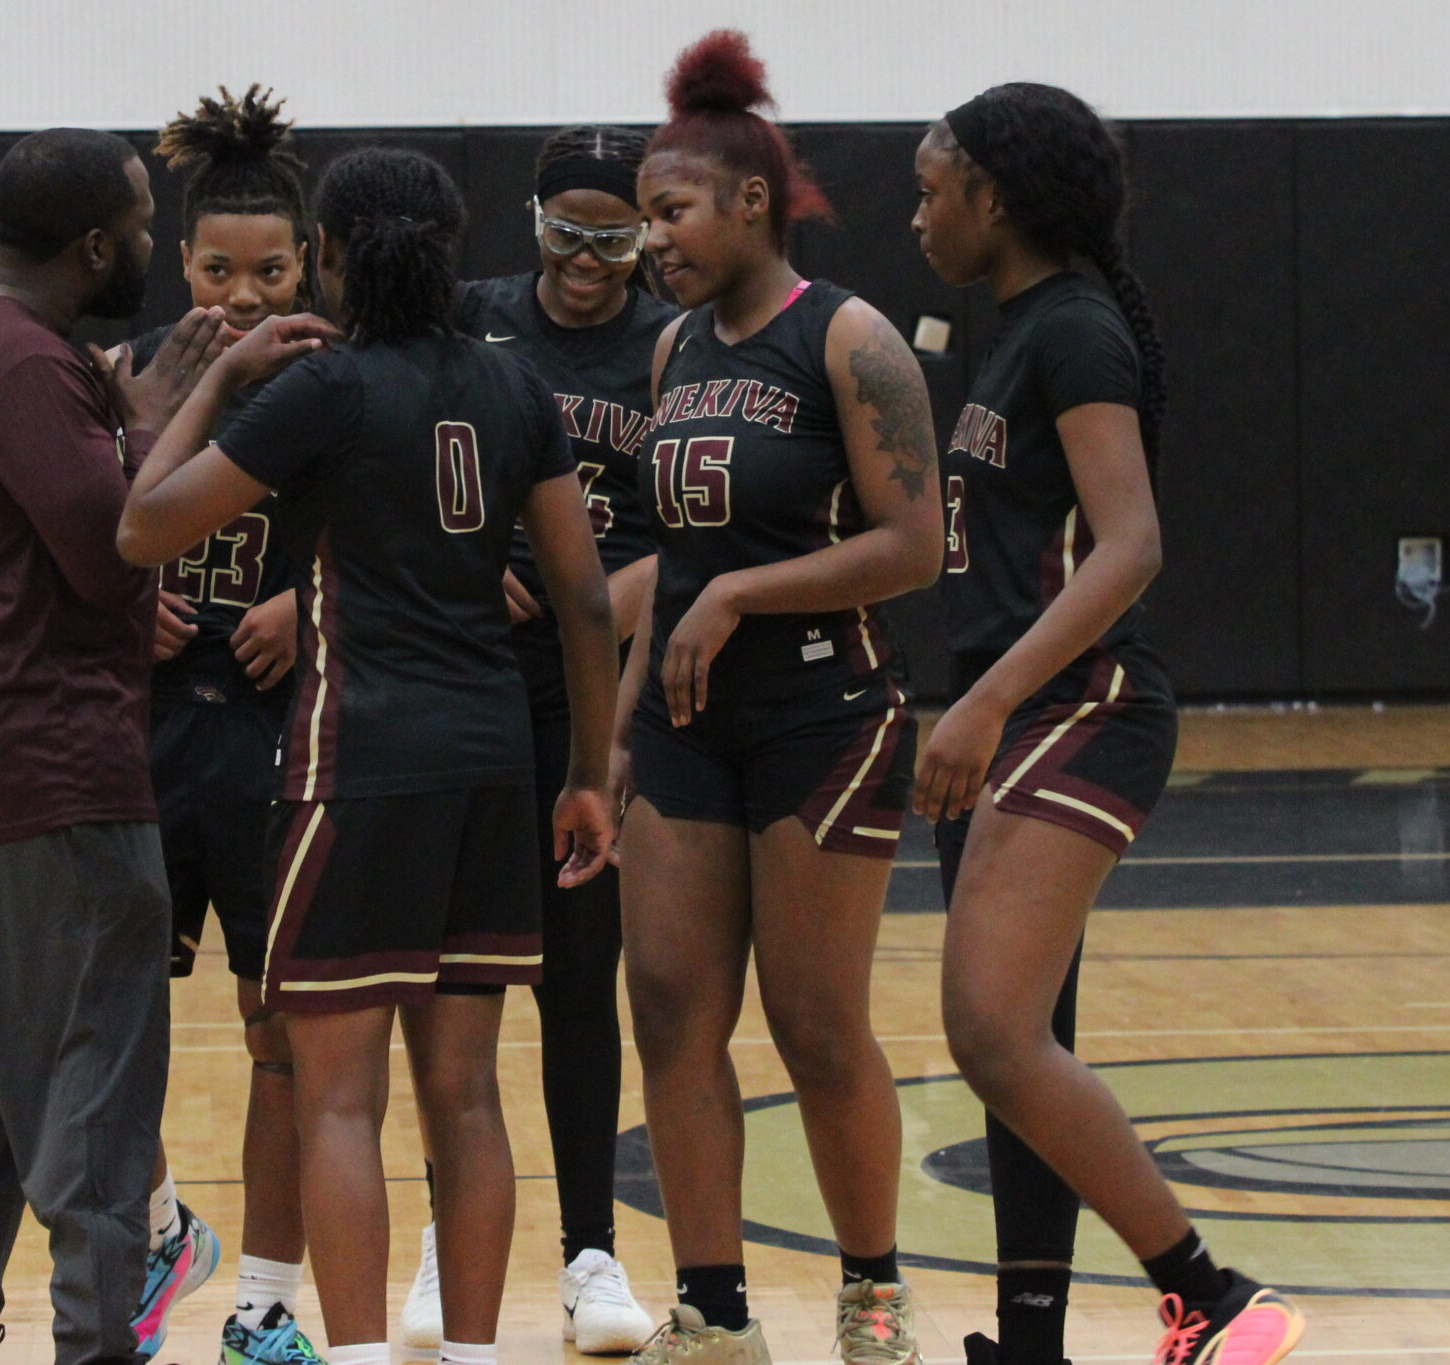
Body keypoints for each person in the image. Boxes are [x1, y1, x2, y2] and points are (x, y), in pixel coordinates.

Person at [118, 146, 618, 1365]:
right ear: (450, 254)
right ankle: (475, 1356)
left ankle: (349, 1355)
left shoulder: (324, 388)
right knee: (468, 1097)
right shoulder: (517, 389)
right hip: (492, 763)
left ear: (326, 257)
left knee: (339, 1099)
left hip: (356, 761)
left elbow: (142, 527)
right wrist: (587, 774)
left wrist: (214, 376)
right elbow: (584, 601)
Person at [911, 85, 1306, 1365]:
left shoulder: (1074, 333)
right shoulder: (1015, 331)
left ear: (992, 199)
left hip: (1077, 704)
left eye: (930, 191)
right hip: (1014, 710)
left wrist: (982, 700)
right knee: (1024, 1049)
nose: (915, 216)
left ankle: (1209, 1295)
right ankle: (1030, 1343)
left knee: (989, 1031)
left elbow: (1129, 545)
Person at [611, 31, 944, 1365]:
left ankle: (873, 1294)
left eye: (672, 212)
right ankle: (715, 1311)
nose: (653, 241)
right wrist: (616, 736)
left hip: (823, 716)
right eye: (645, 218)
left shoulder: (848, 337)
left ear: (751, 202)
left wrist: (746, 595)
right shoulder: (673, 350)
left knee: (813, 1022)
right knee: (668, 1005)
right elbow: (675, 569)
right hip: (682, 728)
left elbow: (913, 546)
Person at [0, 128, 233, 1365]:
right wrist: (154, 423)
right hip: (51, 769)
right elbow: (111, 552)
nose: (152, 245)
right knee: (95, 1099)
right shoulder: (23, 360)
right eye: (143, 226)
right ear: (95, 245)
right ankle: (98, 1344)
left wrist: (128, 420)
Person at [415, 123, 670, 1357]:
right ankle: (441, 1235)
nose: (585, 259)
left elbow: (700, 532)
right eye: (566, 232)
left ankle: (590, 1253)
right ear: (530, 223)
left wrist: (588, 597)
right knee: (449, 980)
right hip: (458, 684)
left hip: (589, 695)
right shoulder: (468, 320)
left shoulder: (672, 344)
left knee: (578, 978)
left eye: (612, 240)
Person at [130, 85, 320, 1365]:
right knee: (113, 1021)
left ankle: (263, 1302)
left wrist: (311, 601)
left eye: (270, 271)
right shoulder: (135, 374)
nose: (243, 296)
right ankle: (155, 1235)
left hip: (275, 733)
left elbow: (403, 541)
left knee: (280, 1032)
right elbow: (86, 532)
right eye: (217, 271)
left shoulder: (334, 376)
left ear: (308, 263)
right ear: (181, 265)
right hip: (147, 729)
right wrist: (121, 604)